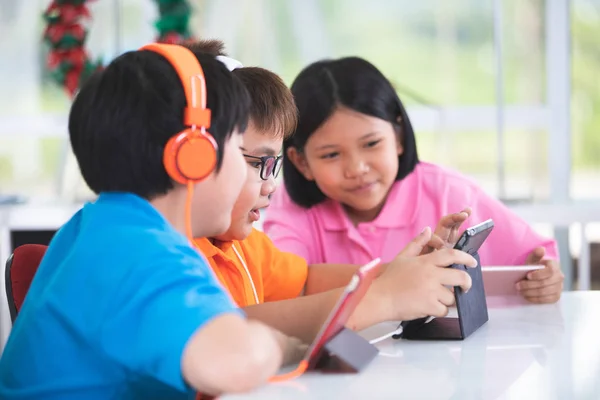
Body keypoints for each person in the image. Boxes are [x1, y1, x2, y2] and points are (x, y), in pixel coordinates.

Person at [0, 44, 291, 400]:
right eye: (236, 146)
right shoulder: (139, 250)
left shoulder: (99, 225)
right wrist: (276, 342)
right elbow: (233, 363)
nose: (267, 179)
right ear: (193, 157)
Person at [185, 40, 478, 345]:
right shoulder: (165, 254)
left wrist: (402, 275)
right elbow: (226, 332)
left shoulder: (239, 245)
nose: (270, 184)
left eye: (273, 165)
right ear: (193, 159)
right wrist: (385, 298)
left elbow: (306, 282)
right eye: (259, 162)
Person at [264, 56, 564, 304]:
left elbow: (535, 259)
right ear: (301, 162)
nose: (356, 168)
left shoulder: (448, 191)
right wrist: (401, 276)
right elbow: (281, 286)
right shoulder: (292, 208)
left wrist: (545, 278)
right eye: (331, 155)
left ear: (398, 137)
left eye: (371, 144)